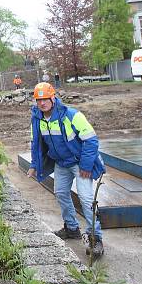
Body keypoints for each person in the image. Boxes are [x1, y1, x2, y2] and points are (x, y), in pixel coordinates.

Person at [27, 82, 105, 257]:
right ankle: (71, 228)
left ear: (53, 98)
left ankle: (95, 238)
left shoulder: (71, 115)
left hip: (79, 163)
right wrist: (34, 165)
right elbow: (36, 145)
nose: (42, 103)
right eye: (38, 100)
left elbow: (91, 140)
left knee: (85, 199)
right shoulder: (37, 120)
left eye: (45, 99)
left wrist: (85, 166)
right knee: (61, 193)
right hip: (61, 164)